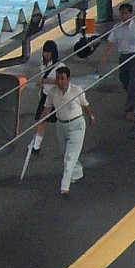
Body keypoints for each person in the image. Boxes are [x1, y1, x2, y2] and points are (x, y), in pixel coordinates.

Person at [44, 66, 93, 195]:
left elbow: (86, 105)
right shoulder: (52, 92)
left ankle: (64, 186)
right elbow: (47, 108)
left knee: (69, 157)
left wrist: (91, 116)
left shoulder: (77, 90)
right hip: (61, 125)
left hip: (77, 124)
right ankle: (77, 173)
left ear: (68, 79)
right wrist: (40, 124)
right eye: (58, 78)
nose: (59, 81)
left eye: (62, 78)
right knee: (67, 152)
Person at [105, 2, 135, 116]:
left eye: (126, 13)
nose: (124, 16)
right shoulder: (117, 28)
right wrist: (106, 56)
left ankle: (130, 109)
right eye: (122, 14)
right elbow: (111, 42)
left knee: (133, 82)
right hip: (123, 56)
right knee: (124, 80)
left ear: (131, 14)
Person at [31, 40, 63, 152]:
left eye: (48, 52)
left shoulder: (60, 66)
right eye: (44, 52)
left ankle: (35, 144)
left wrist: (46, 81)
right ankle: (35, 144)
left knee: (42, 120)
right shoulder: (43, 63)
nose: (45, 54)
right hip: (45, 95)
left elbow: (62, 82)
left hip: (53, 97)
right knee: (42, 120)